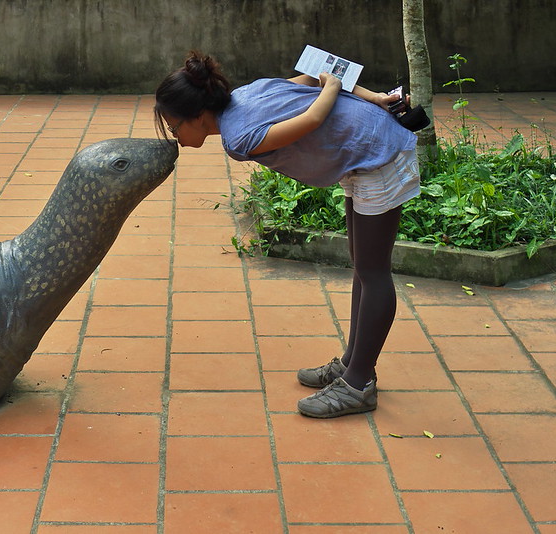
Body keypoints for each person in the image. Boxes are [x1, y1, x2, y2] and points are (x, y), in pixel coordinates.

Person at [154, 50, 420, 418]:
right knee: (362, 265)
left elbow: (313, 116)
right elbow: (313, 75)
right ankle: (352, 364)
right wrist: (371, 95)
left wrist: (335, 86)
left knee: (373, 272)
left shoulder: (239, 137)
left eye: (174, 127)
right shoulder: (245, 94)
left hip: (378, 153)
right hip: (360, 153)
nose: (175, 136)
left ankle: (359, 385)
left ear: (198, 115)